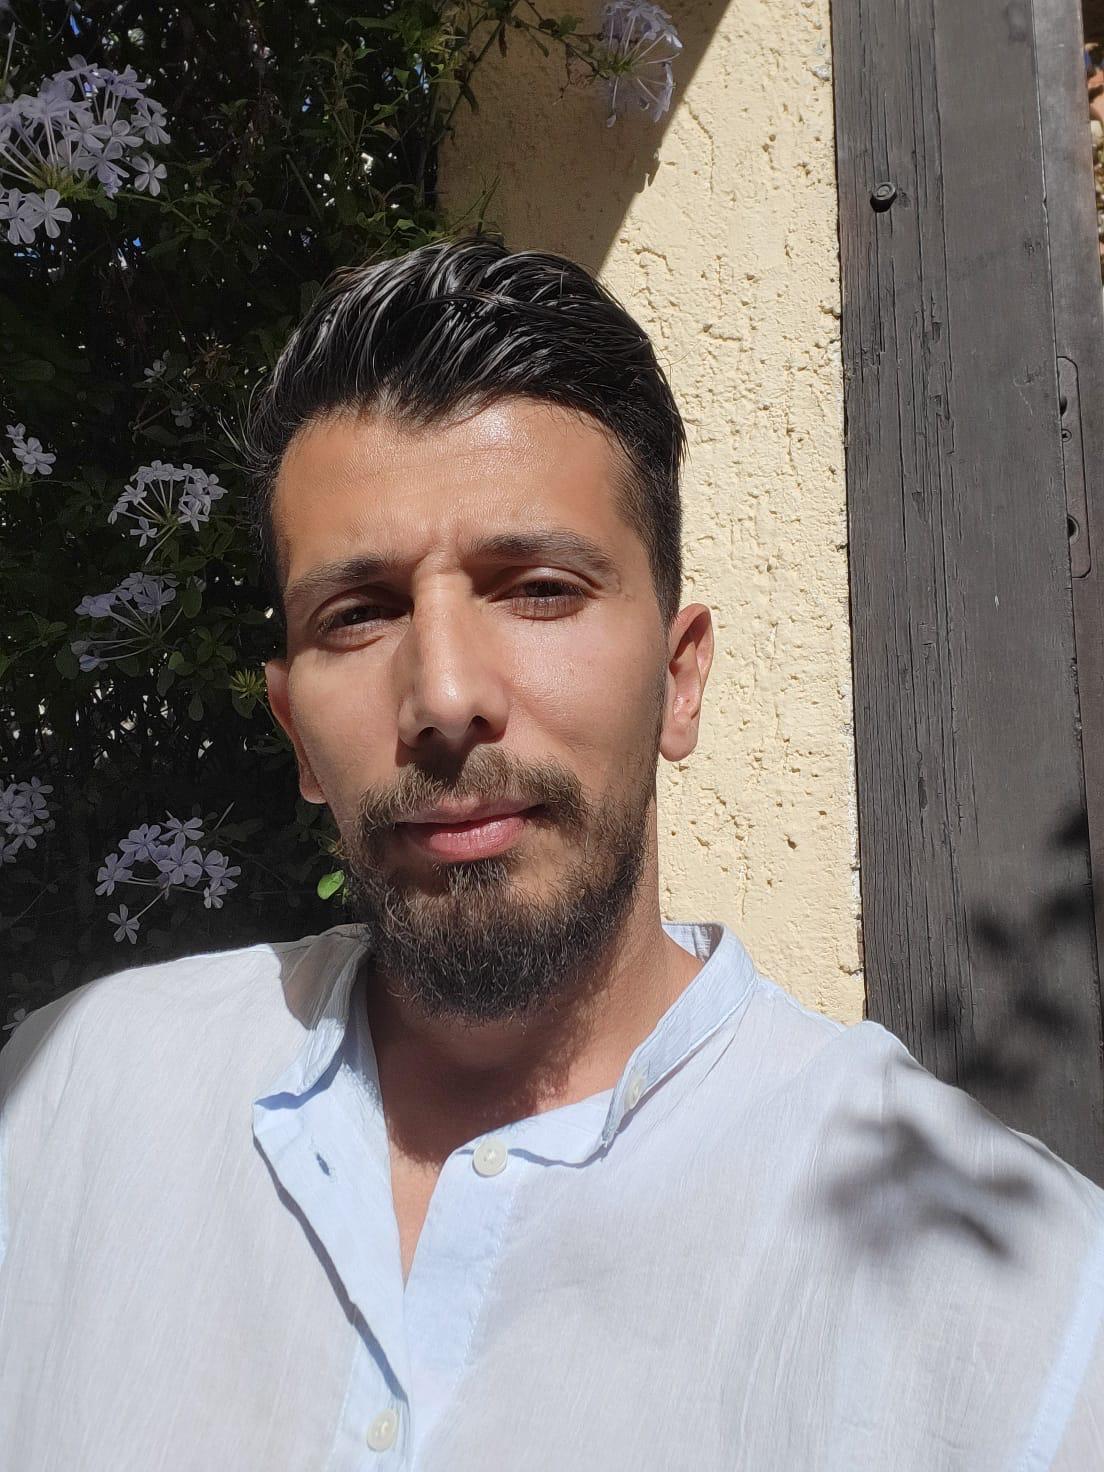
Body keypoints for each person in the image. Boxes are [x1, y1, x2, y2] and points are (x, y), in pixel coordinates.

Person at [1, 237, 1102, 1472]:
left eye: (534, 587)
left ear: (680, 681)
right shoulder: (65, 1106)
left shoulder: (1027, 1318)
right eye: (357, 612)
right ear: (294, 732)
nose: (446, 694)